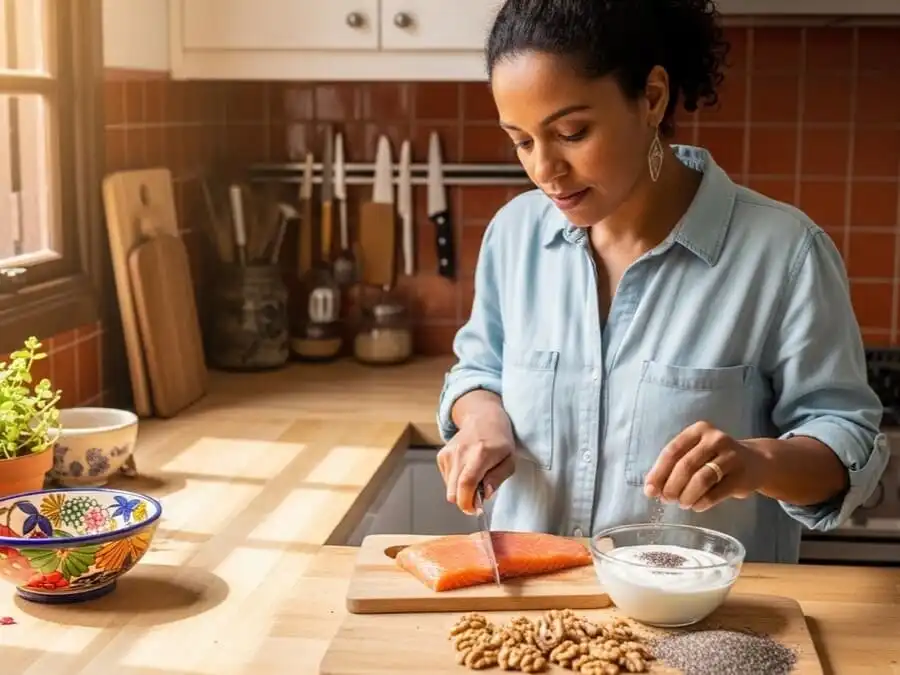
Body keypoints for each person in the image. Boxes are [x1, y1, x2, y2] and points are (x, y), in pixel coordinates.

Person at [434, 0, 890, 564]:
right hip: (533, 624)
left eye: (572, 133)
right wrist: (481, 423)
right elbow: (479, 371)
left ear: (651, 98)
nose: (544, 170)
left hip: (703, 629)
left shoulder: (785, 253)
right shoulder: (515, 234)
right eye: (522, 141)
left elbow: (848, 443)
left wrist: (757, 463)